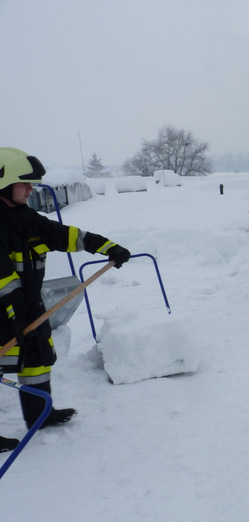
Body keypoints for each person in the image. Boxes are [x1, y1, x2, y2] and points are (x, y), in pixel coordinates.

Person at [0, 148, 131, 438]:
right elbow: (2, 279)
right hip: (6, 308)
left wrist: (107, 247)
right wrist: (17, 315)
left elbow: (64, 235)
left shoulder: (26, 219)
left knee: (36, 358)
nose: (30, 189)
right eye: (25, 183)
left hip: (25, 306)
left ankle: (40, 415)